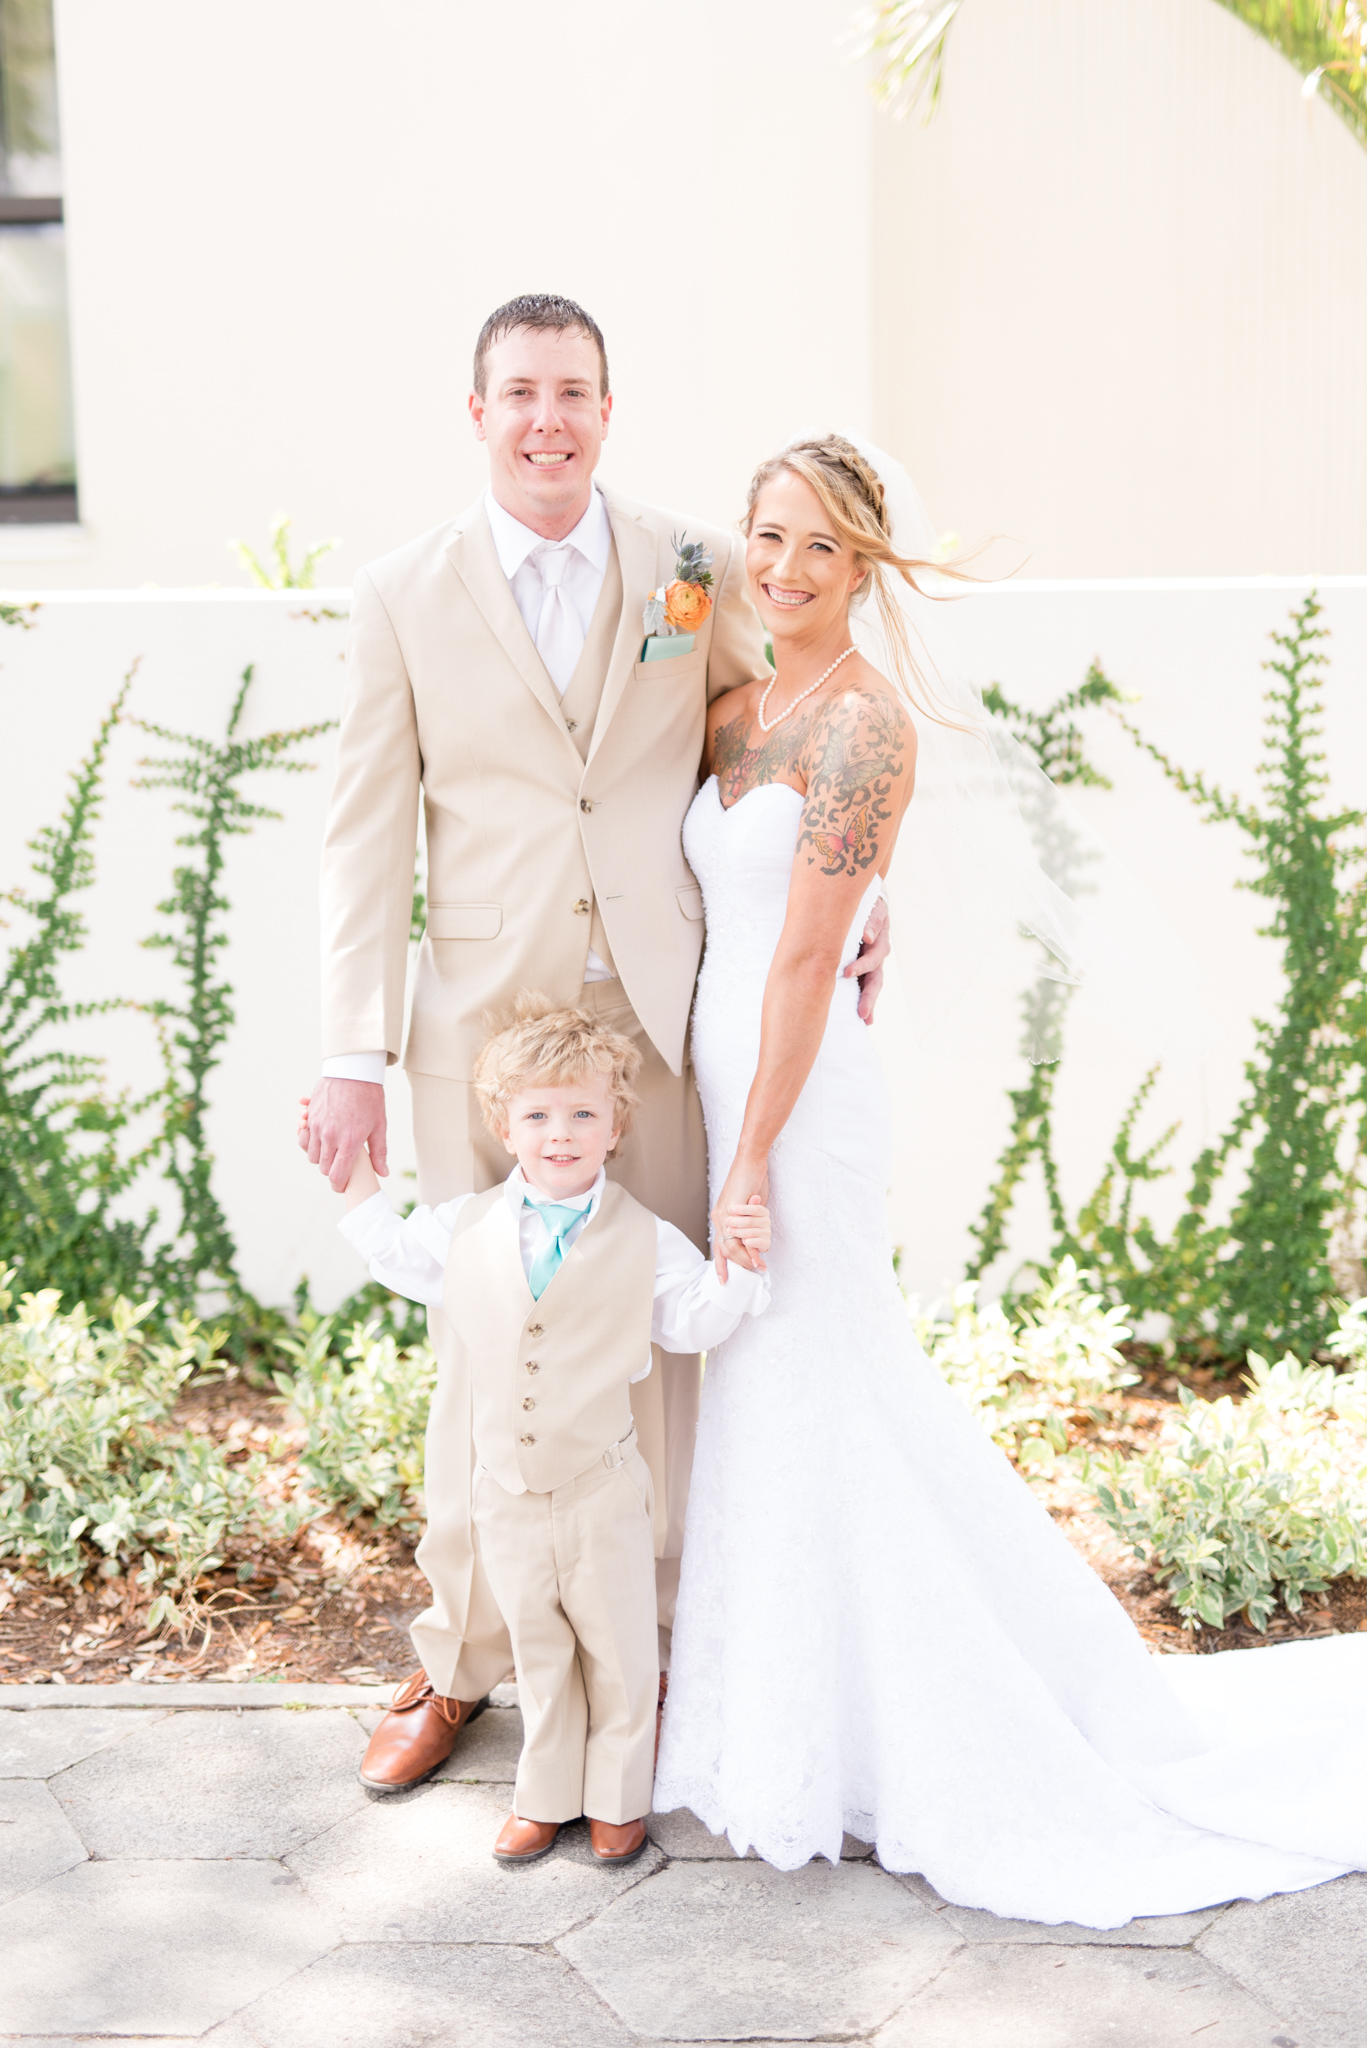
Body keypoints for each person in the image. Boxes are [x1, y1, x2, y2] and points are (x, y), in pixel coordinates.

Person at [653, 432, 1367, 1927]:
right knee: (771, 1396)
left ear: (867, 568)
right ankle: (800, 1734)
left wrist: (755, 1161)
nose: (783, 570)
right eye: (766, 537)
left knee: (826, 1376)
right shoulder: (728, 703)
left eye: (821, 550)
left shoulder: (862, 728)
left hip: (798, 1093)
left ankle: (936, 1733)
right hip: (720, 1065)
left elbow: (798, 954)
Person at [298, 294, 891, 1792]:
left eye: (573, 390)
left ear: (607, 413)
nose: (547, 418)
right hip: (475, 1037)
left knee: (666, 1352)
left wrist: (875, 896)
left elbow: (789, 727)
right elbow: (363, 833)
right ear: (479, 413)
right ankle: (458, 1662)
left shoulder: (692, 567)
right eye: (519, 393)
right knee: (482, 1353)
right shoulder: (399, 595)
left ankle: (667, 1649)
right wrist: (351, 1052)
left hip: (655, 1021)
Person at [307, 995, 771, 1863]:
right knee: (540, 1648)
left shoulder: (649, 1239)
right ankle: (543, 1792)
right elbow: (399, 1257)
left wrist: (738, 1266)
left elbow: (696, 1322)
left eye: (583, 1113)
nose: (561, 1133)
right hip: (505, 1491)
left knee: (619, 1649)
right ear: (504, 1124)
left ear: (616, 1125)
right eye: (538, 1115)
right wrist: (355, 1177)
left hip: (600, 1484)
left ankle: (619, 1798)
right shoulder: (467, 1224)